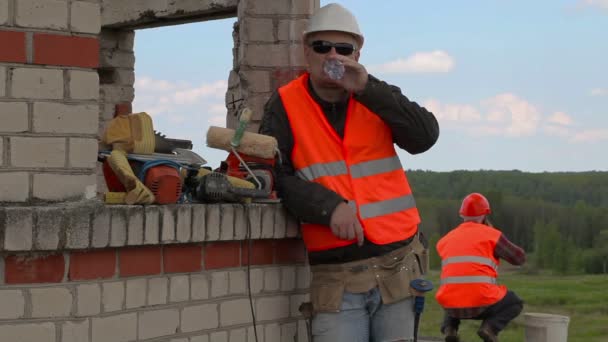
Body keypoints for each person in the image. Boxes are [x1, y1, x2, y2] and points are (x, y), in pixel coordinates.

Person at [259, 3, 439, 341]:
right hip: (337, 275)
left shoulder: (374, 94)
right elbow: (272, 176)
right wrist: (328, 207)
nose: (333, 56)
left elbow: (424, 137)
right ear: (306, 51)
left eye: (343, 49)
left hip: (397, 265)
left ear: (357, 52)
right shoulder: (285, 104)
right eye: (322, 47)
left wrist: (367, 88)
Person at [435, 193, 526, 342]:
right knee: (514, 302)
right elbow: (519, 258)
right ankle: (489, 328)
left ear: (462, 214)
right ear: (485, 214)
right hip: (481, 303)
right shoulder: (491, 235)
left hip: (451, 306)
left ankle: (449, 328)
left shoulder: (445, 239)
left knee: (454, 293)